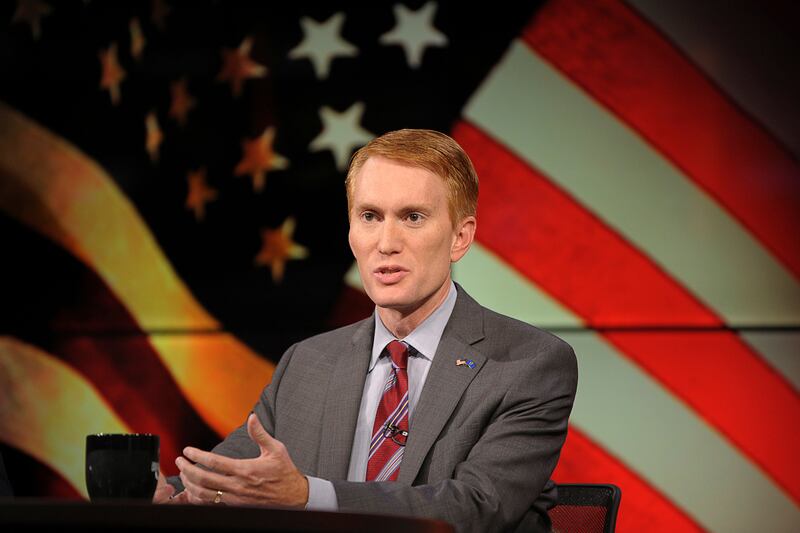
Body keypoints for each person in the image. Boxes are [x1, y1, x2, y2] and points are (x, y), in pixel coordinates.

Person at [156, 129, 578, 532]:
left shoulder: (528, 365)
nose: (386, 242)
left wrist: (308, 496)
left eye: (413, 217)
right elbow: (231, 475)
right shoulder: (308, 362)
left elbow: (475, 509)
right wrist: (164, 493)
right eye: (370, 216)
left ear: (460, 238)